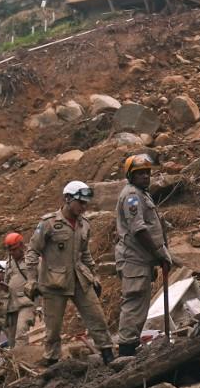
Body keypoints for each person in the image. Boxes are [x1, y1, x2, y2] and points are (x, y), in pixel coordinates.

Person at [25, 181, 114, 365]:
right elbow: (32, 251)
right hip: (53, 283)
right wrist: (31, 280)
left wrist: (94, 274)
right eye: (80, 203)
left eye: (86, 203)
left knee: (97, 318)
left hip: (80, 279)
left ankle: (108, 356)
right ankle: (52, 363)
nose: (84, 207)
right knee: (53, 330)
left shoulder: (84, 225)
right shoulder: (49, 224)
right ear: (68, 199)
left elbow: (85, 252)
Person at [115, 154, 172, 357]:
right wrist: (159, 254)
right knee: (134, 304)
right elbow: (139, 229)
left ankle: (130, 347)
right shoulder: (132, 196)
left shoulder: (141, 194)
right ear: (130, 175)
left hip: (141, 261)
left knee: (139, 306)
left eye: (147, 173)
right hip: (134, 260)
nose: (145, 177)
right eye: (140, 174)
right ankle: (126, 352)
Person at [3, 232, 35, 347]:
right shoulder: (9, 263)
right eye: (10, 250)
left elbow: (41, 281)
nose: (12, 253)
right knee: (11, 338)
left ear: (21, 246)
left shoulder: (32, 260)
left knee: (21, 334)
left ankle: (22, 361)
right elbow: (6, 281)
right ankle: (14, 362)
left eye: (14, 250)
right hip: (12, 305)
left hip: (27, 303)